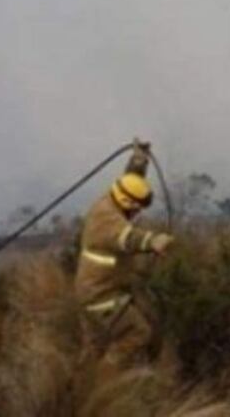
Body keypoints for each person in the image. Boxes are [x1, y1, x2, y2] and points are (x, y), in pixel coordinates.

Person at [74, 138, 173, 379]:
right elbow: (127, 237)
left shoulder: (113, 199)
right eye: (137, 208)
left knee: (94, 346)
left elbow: (131, 180)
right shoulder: (106, 218)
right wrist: (153, 241)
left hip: (101, 291)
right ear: (127, 203)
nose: (138, 212)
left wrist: (139, 159)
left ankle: (81, 387)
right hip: (101, 296)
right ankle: (104, 383)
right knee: (137, 333)